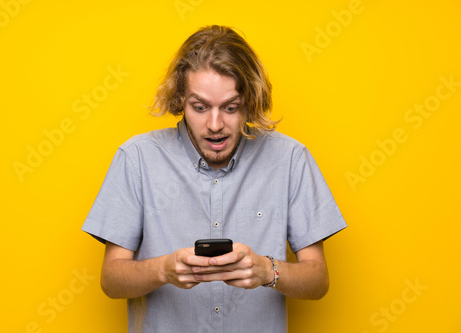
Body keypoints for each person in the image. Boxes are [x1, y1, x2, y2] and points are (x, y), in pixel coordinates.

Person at [82, 25, 347, 332]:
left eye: (230, 108)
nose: (215, 124)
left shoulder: (290, 159)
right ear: (181, 98)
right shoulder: (137, 158)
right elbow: (111, 281)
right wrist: (163, 270)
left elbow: (318, 281)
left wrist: (268, 270)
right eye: (200, 107)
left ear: (249, 100)